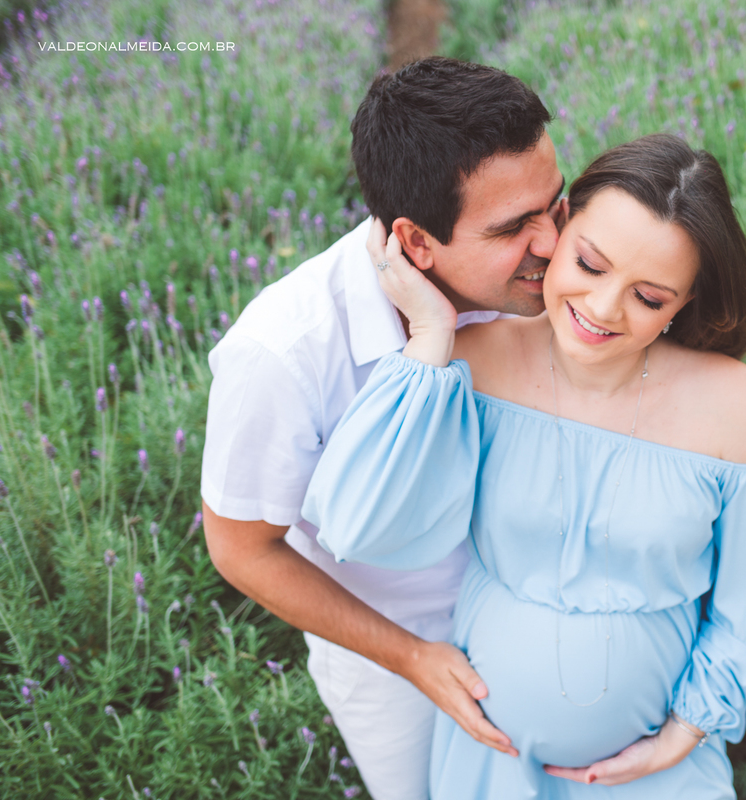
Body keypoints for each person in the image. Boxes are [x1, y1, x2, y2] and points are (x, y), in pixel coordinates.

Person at [304, 133, 746, 797]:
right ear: (558, 227)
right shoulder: (477, 363)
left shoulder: (734, 407)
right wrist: (430, 337)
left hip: (658, 770)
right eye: (590, 265)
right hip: (491, 762)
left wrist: (687, 731)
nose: (601, 309)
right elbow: (357, 523)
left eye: (649, 298)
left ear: (684, 302)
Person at [199, 57, 565, 800]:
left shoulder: (547, 282)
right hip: (395, 654)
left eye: (555, 205)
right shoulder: (283, 350)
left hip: (543, 613)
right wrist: (412, 658)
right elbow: (241, 548)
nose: (555, 245)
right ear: (416, 242)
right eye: (513, 227)